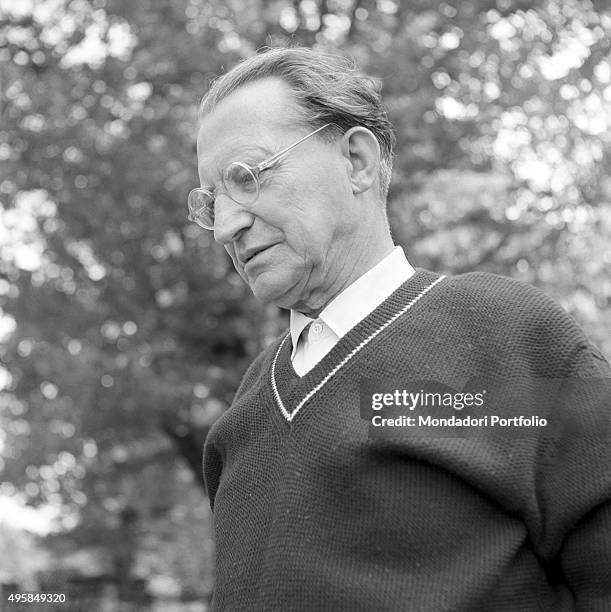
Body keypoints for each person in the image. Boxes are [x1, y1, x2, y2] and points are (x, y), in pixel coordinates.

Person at [190, 47, 611, 611]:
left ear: (358, 161)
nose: (225, 226)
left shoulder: (504, 340)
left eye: (247, 177)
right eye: (211, 199)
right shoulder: (241, 417)